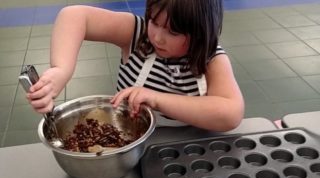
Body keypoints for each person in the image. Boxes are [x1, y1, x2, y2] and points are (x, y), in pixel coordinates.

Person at [26, 0, 244, 131]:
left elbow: (231, 114)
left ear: (200, 32)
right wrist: (61, 69)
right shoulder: (138, 35)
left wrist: (157, 99)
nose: (158, 37)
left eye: (173, 32)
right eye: (154, 22)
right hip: (127, 141)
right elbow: (74, 15)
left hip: (186, 151)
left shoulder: (211, 59)